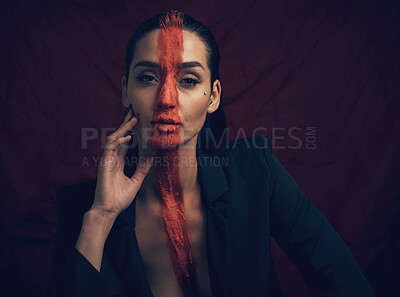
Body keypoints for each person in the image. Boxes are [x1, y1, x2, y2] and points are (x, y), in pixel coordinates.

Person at [52, 10, 374, 297]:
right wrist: (102, 216)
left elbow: (340, 277)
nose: (166, 99)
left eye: (189, 80)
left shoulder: (255, 173)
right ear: (125, 90)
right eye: (148, 77)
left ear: (213, 97)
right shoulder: (85, 211)